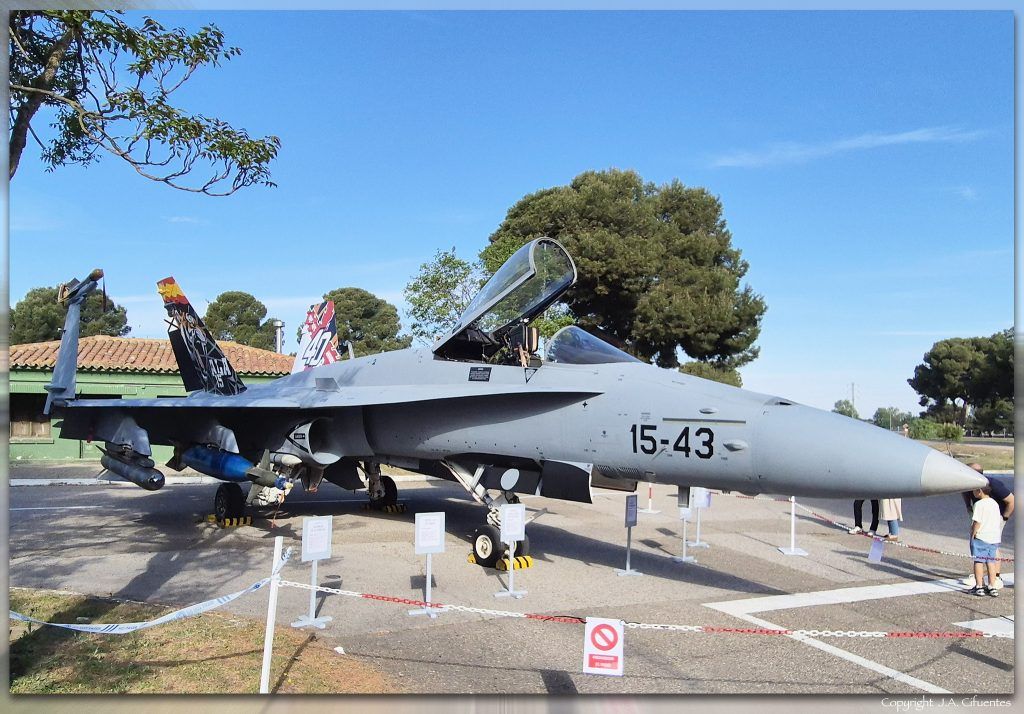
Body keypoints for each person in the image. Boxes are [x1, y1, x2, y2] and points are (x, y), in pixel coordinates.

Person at [961, 463, 1014, 589]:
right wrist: (968, 506)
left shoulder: (993, 485)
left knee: (991, 545)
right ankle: (983, 578)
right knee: (985, 546)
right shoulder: (967, 483)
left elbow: (1011, 500)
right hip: (979, 514)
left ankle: (995, 577)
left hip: (996, 518)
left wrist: (1003, 518)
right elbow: (964, 493)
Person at [965, 483, 1004, 597]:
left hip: (981, 537)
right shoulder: (994, 503)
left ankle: (979, 586)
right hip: (993, 537)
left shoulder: (979, 504)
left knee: (978, 561)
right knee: (990, 562)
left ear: (979, 491)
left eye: (973, 490)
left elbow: (977, 522)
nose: (972, 493)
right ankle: (992, 586)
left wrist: (973, 533)